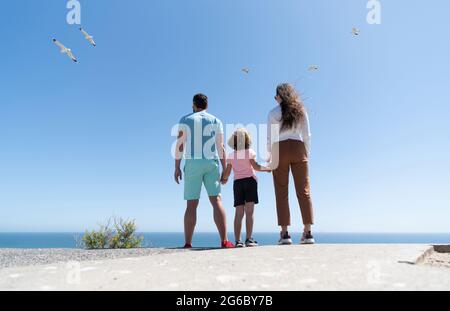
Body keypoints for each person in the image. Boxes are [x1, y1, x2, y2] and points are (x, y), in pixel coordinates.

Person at [174, 93, 234, 249]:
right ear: (207, 105)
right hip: (211, 162)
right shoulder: (216, 120)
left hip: (193, 163)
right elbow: (220, 146)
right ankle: (224, 241)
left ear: (194, 104)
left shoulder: (185, 119)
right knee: (216, 201)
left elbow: (180, 145)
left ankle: (188, 243)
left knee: (191, 204)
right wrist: (224, 168)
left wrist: (177, 167)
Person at [267, 83, 315, 245]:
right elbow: (307, 134)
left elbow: (270, 138)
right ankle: (308, 232)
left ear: (279, 96)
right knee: (304, 190)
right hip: (298, 147)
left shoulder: (273, 113)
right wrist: (305, 153)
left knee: (281, 192)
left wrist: (270, 157)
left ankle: (285, 233)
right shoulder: (301, 110)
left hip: (279, 149)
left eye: (275, 96)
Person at [221, 129, 271, 248]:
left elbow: (227, 172)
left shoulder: (231, 156)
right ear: (247, 140)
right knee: (249, 212)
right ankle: (249, 239)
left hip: (237, 184)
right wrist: (267, 169)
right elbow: (256, 166)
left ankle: (238, 241)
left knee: (238, 213)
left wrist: (223, 179)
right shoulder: (250, 152)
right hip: (250, 182)